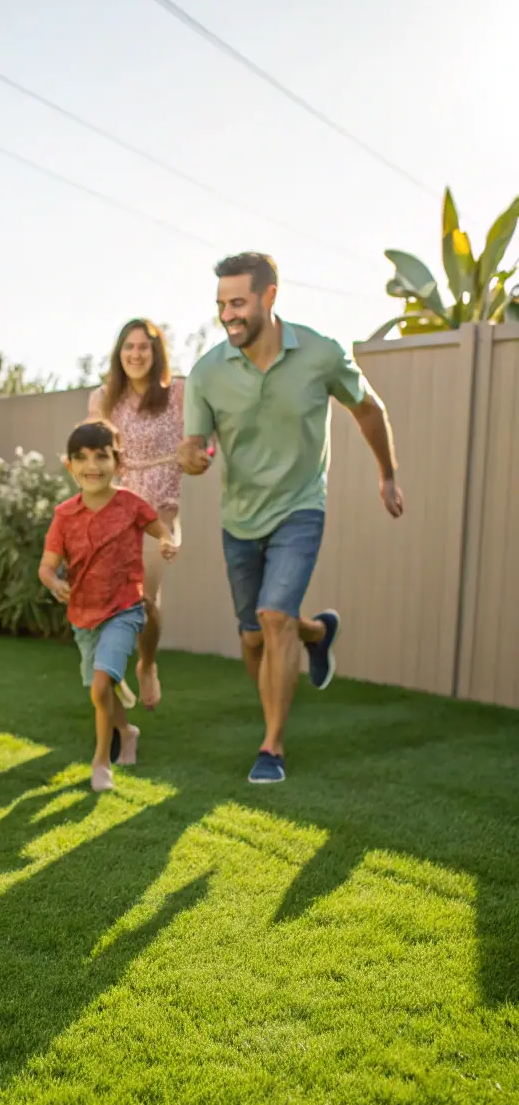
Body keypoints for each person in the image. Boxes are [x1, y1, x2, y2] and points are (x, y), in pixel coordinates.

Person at [179, 252, 404, 785]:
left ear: (269, 296)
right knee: (255, 634)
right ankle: (318, 633)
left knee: (273, 616)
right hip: (240, 516)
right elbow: (196, 443)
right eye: (221, 305)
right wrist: (193, 455)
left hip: (301, 506)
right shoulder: (208, 373)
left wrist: (388, 474)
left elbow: (368, 409)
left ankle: (271, 747)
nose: (228, 314)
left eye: (238, 302)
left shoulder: (320, 353)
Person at [39, 420, 178, 793]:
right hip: (84, 617)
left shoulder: (131, 505)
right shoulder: (64, 515)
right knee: (104, 691)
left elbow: (159, 527)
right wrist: (54, 583)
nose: (92, 466)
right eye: (81, 458)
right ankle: (126, 731)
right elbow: (47, 567)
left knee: (101, 688)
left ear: (118, 462)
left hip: (125, 609)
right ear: (69, 466)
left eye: (102, 456)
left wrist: (167, 541)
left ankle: (101, 762)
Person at [88, 318, 183, 711]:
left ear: (156, 352)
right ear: (119, 353)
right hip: (116, 508)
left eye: (144, 347)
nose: (136, 354)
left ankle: (146, 663)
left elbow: (202, 442)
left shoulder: (177, 393)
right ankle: (111, 674)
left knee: (146, 597)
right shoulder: (103, 399)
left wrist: (201, 456)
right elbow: (91, 451)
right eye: (129, 347)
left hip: (159, 509)